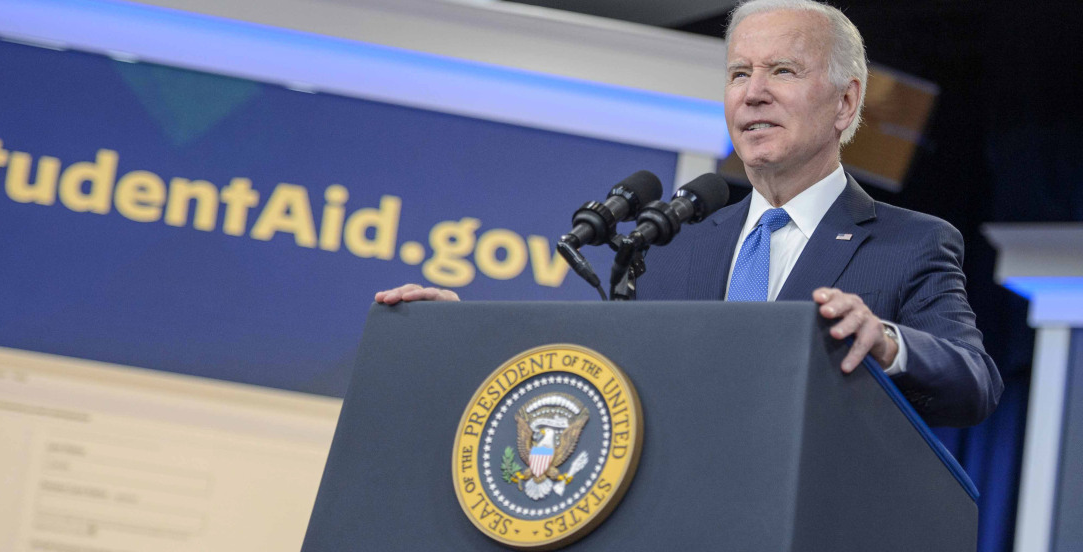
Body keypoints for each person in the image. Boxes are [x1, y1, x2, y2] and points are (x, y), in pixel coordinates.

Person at [376, 0, 1001, 428]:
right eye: (738, 73)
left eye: (782, 70)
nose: (753, 91)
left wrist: (887, 344)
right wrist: (457, 339)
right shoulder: (673, 248)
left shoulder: (909, 245)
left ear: (845, 103)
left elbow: (974, 383)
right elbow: (596, 379)